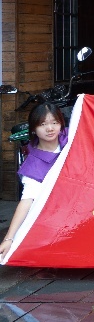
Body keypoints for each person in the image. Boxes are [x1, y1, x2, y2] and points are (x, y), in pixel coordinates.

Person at [0, 104, 68, 260]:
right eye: (43, 124)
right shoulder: (33, 165)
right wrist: (9, 238)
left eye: (55, 122)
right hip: (56, 214)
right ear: (33, 129)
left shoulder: (72, 139)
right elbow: (27, 201)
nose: (50, 128)